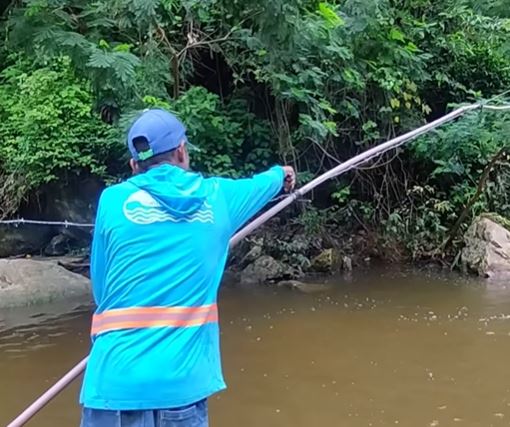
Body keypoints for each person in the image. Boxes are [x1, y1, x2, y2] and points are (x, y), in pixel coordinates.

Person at [79, 108, 296, 427]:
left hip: (111, 384)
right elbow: (261, 185)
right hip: (179, 391)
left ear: (134, 165)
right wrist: (283, 174)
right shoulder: (218, 197)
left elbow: (101, 291)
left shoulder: (112, 201)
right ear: (182, 151)